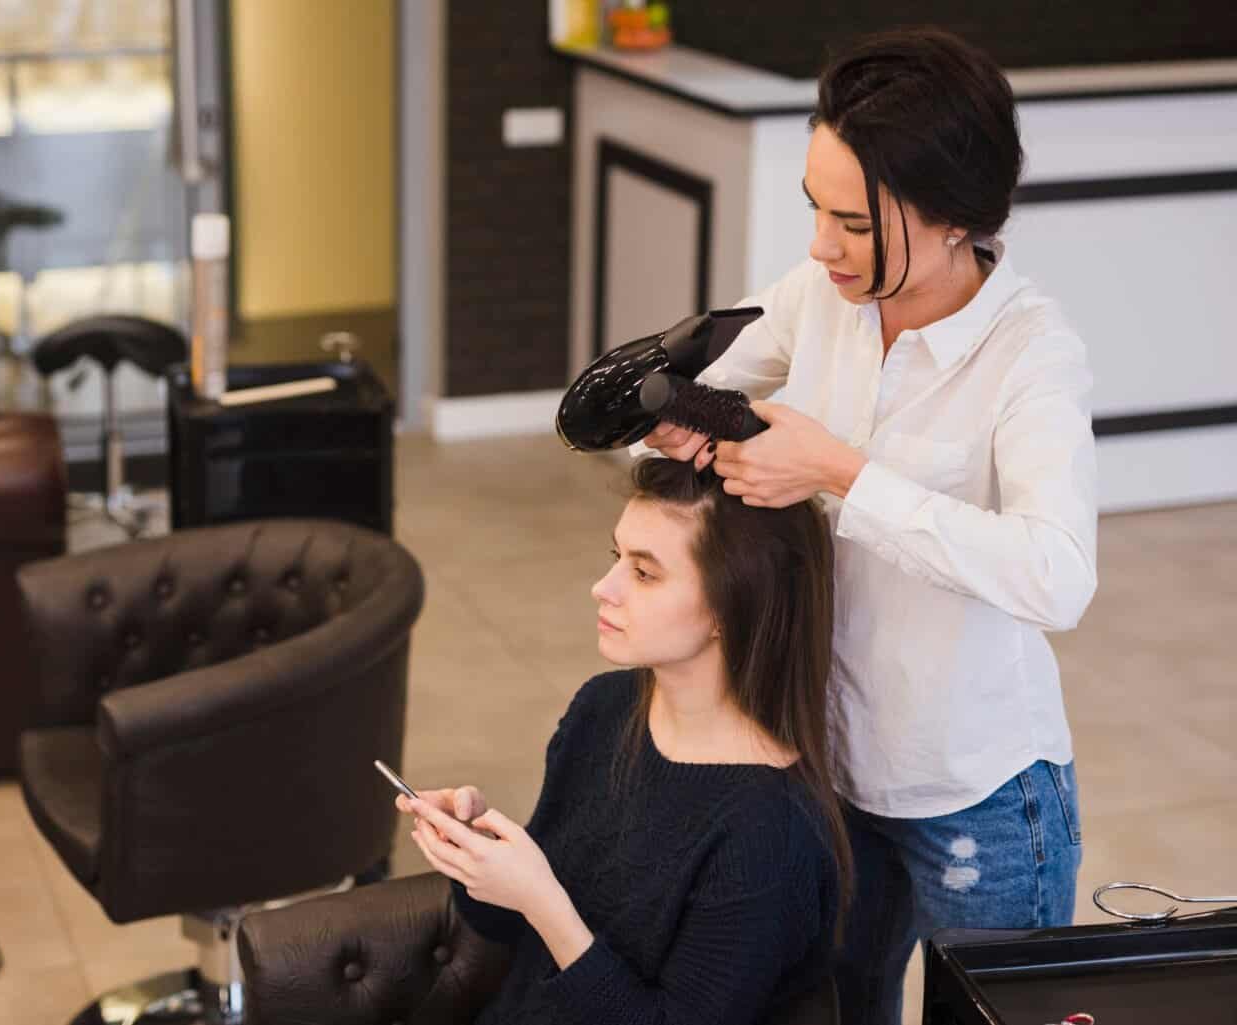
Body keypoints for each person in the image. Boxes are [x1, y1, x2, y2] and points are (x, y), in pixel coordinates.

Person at [643, 27, 1096, 1025]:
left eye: (852, 222)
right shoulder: (824, 299)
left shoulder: (1032, 357)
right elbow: (688, 396)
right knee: (837, 1007)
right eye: (816, 210)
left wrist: (844, 472)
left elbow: (1058, 575)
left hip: (978, 795)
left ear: (952, 220)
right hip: (834, 762)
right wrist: (679, 417)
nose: (818, 247)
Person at [400, 456, 848, 1024]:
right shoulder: (603, 709)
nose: (602, 588)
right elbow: (510, 928)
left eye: (644, 573)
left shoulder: (768, 837)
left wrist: (544, 901)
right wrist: (479, 855)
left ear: (729, 609)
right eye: (618, 558)